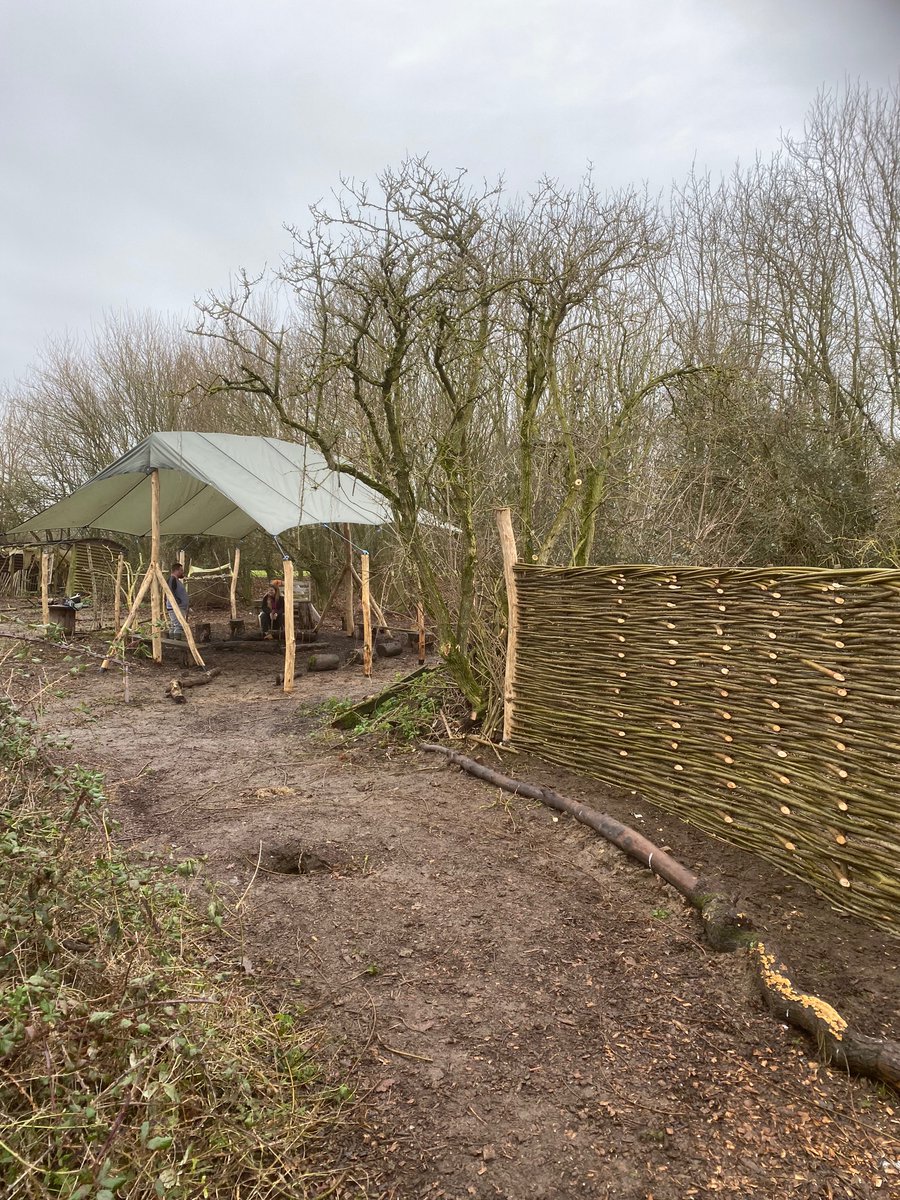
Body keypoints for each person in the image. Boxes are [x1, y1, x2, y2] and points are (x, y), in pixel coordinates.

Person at [166, 562, 189, 638]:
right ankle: (177, 644)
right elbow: (169, 591)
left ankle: (171, 643)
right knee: (178, 626)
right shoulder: (172, 580)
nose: (182, 572)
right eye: (181, 570)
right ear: (177, 571)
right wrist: (176, 600)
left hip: (177, 607)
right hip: (176, 607)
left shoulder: (175, 580)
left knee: (174, 625)